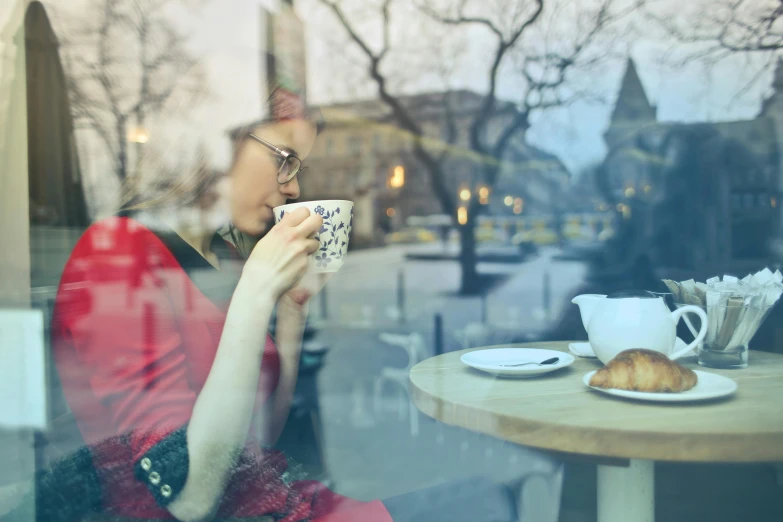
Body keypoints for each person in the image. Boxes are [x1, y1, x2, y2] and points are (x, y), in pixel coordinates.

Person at [25, 107, 554, 522]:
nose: (294, 187)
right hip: (238, 513)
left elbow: (260, 436)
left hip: (282, 502)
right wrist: (257, 289)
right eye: (285, 158)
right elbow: (185, 495)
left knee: (505, 488)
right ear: (223, 145)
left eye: (299, 166)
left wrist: (291, 310)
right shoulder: (116, 252)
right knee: (495, 497)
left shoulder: (222, 260)